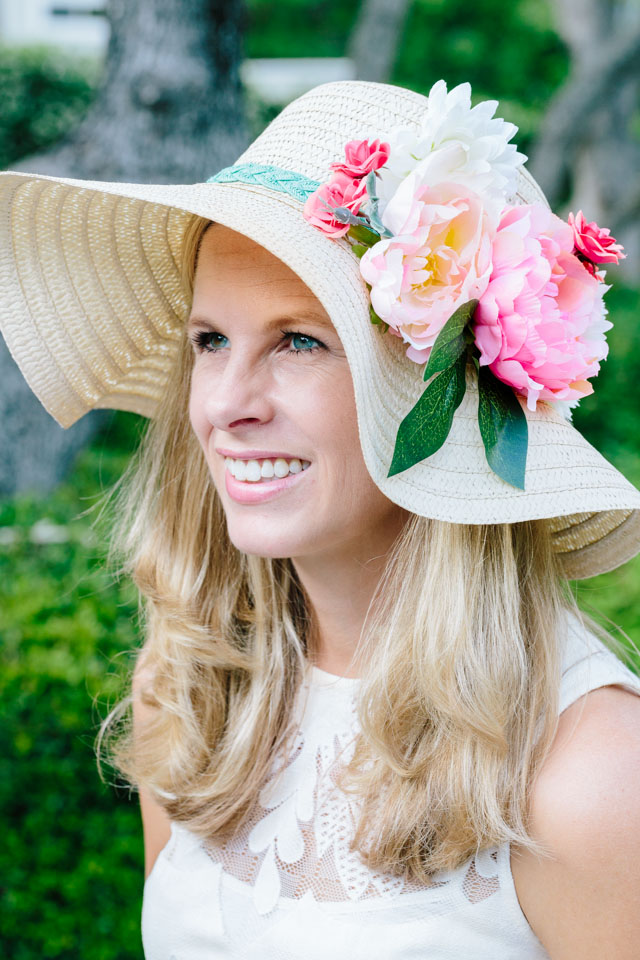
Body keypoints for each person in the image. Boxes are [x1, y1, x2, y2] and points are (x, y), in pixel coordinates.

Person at [1, 79, 640, 959]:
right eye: (210, 340)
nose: (224, 404)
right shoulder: (191, 694)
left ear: (436, 398)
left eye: (299, 340)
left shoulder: (592, 776)